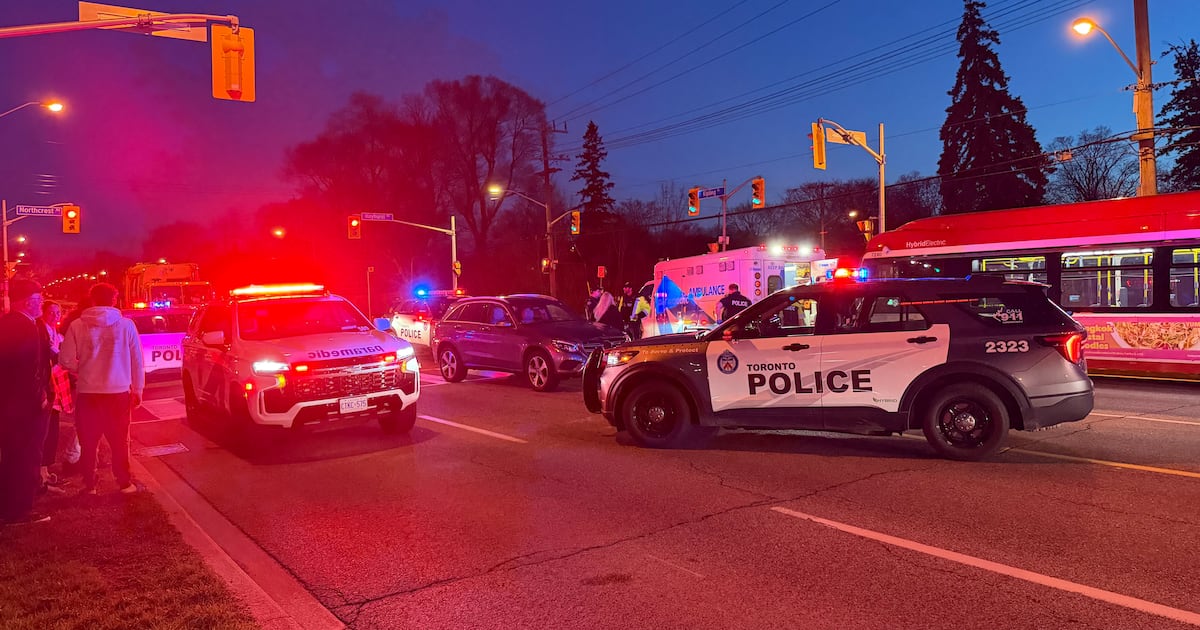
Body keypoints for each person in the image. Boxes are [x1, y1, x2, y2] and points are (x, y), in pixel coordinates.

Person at [60, 283, 145, 495]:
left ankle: (90, 484)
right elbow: (137, 360)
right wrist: (138, 389)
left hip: (88, 393)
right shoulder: (126, 326)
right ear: (114, 300)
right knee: (119, 440)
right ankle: (124, 482)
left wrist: (85, 368)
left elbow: (65, 359)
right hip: (118, 392)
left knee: (88, 442)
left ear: (93, 300)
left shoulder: (78, 326)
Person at [0, 279, 54, 525]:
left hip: (11, 406)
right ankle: (20, 510)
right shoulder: (24, 327)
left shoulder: (9, 323)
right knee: (27, 456)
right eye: (37, 300)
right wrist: (40, 399)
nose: (41, 304)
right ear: (25, 301)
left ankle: (10, 505)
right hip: (25, 407)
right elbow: (28, 370)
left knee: (13, 456)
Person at [36, 300, 68, 495]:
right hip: (49, 385)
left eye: (59, 311)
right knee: (47, 430)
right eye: (52, 311)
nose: (56, 315)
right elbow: (53, 356)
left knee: (53, 428)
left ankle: (46, 472)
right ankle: (42, 474)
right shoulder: (42, 332)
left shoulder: (56, 333)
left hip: (57, 385)